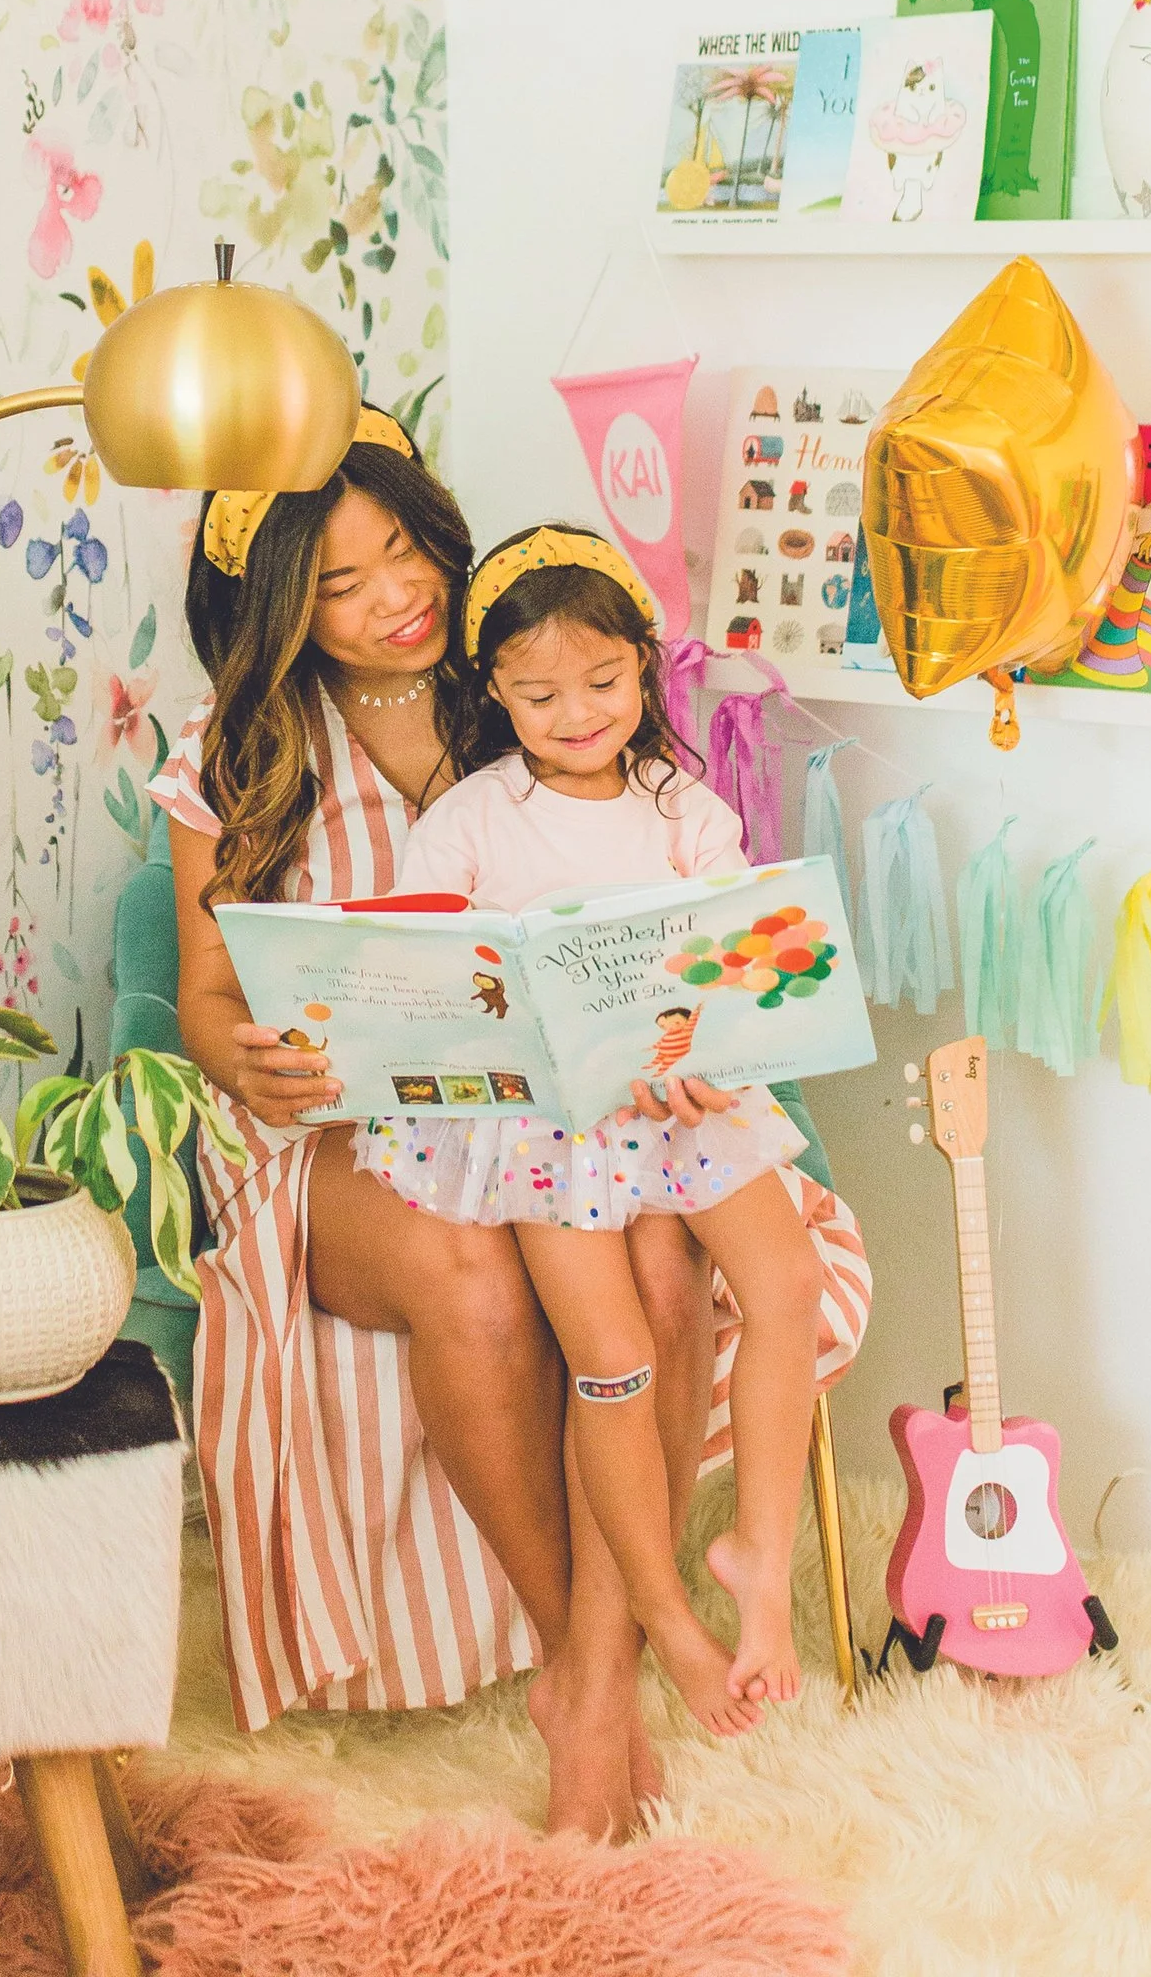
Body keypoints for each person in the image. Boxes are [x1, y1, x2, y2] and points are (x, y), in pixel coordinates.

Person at [150, 415, 871, 1837]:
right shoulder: (234, 747)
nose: (394, 595)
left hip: (585, 1113)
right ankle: (587, 1662)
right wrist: (250, 1058)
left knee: (665, 1270)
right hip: (346, 1138)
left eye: (405, 548)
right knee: (472, 1276)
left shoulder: (524, 684)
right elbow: (203, 992)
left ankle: (597, 1672)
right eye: (344, 583)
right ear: (282, 608)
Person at [355, 525, 828, 1729]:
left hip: (676, 1100)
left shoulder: (682, 805)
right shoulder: (469, 819)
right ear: (494, 691)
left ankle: (759, 1567)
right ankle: (660, 1621)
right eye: (537, 692)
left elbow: (724, 966)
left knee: (785, 1282)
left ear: (642, 669)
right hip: (545, 1130)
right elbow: (427, 982)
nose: (575, 714)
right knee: (611, 1358)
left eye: (603, 684)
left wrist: (692, 1050)